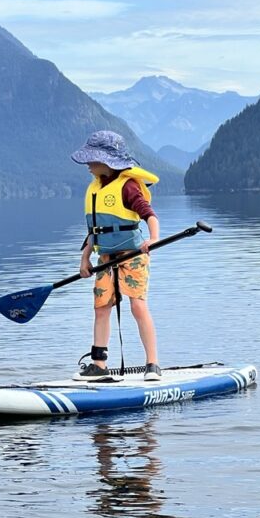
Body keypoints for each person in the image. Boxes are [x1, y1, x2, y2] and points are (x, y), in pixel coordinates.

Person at [71, 130, 161, 382]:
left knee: (137, 305)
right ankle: (98, 365)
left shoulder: (129, 186)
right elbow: (94, 232)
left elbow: (150, 215)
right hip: (105, 259)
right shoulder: (96, 188)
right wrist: (84, 259)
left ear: (108, 161)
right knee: (100, 308)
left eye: (92, 159)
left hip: (133, 255)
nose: (88, 164)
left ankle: (152, 364)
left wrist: (153, 239)